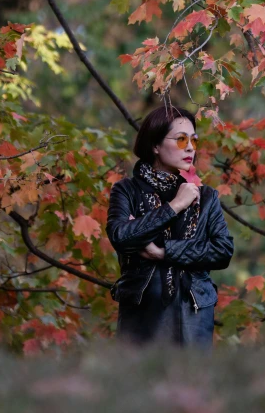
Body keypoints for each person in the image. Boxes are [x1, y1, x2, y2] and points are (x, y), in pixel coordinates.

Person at [106, 104, 234, 348]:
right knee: (142, 383)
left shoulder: (206, 197)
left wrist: (163, 252)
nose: (190, 147)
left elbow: (222, 250)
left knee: (192, 384)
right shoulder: (127, 191)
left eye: (194, 140)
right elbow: (121, 237)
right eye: (181, 139)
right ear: (155, 145)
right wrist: (175, 206)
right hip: (143, 314)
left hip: (194, 316)